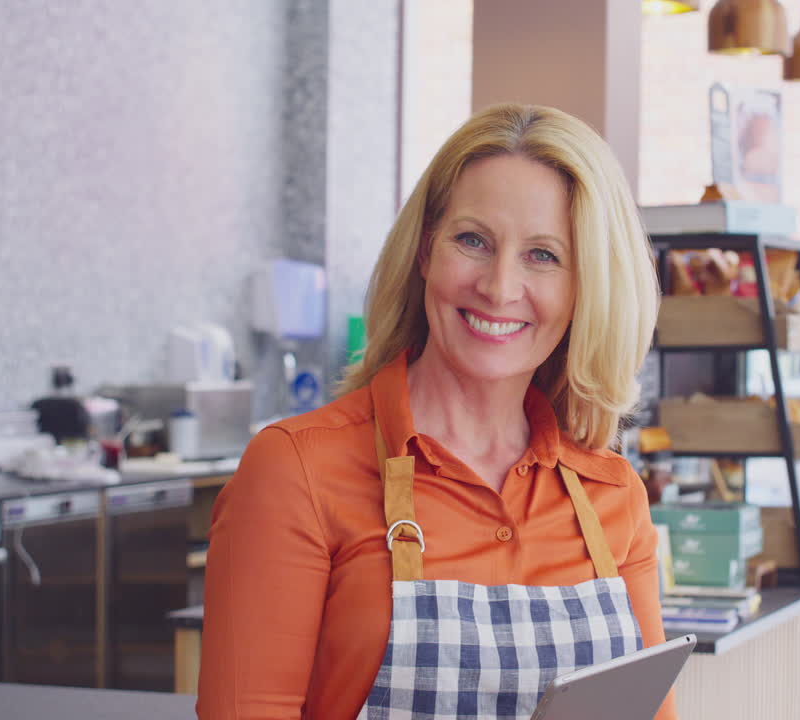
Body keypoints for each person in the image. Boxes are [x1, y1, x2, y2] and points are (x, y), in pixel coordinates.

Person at [198, 103, 674, 720]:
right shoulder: (297, 472)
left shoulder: (612, 495)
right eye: (473, 241)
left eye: (543, 255)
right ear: (425, 251)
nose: (500, 287)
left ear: (587, 288)